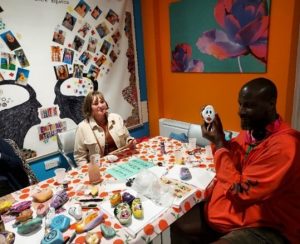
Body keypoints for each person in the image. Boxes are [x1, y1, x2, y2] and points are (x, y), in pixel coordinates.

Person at [171, 77, 300, 243]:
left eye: (249, 106)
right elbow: (230, 157)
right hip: (231, 216)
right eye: (240, 104)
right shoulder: (252, 133)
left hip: (268, 227)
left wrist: (219, 144)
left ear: (271, 103)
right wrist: (218, 139)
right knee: (177, 223)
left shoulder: (284, 147)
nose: (240, 111)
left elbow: (239, 192)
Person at [74, 91, 136, 166]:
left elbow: (127, 138)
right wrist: (90, 171)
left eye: (102, 102)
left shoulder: (117, 118)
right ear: (89, 108)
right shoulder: (82, 127)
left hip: (121, 161)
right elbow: (80, 157)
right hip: (99, 167)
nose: (100, 105)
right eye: (96, 103)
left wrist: (130, 141)